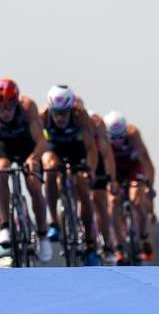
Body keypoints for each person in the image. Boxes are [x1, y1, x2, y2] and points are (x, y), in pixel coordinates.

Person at [0, 79, 52, 262]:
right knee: (0, 171)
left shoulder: (27, 107)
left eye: (10, 106)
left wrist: (33, 158)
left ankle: (42, 235)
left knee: (34, 186)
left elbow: (42, 141)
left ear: (16, 102)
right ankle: (4, 227)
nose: (6, 111)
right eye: (1, 107)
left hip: (27, 146)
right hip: (5, 147)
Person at [40, 85, 99, 264]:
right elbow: (37, 143)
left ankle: (90, 243)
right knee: (50, 169)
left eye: (64, 113)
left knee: (82, 185)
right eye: (56, 113)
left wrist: (90, 170)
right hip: (54, 149)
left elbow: (90, 148)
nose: (60, 118)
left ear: (71, 109)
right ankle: (54, 222)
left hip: (77, 150)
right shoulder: (43, 116)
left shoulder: (80, 115)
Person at [104, 111, 156, 263]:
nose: (118, 141)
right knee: (113, 203)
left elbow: (147, 162)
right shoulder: (103, 140)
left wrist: (149, 186)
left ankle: (143, 236)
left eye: (121, 137)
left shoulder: (133, 135)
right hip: (115, 171)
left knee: (137, 201)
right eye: (114, 138)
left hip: (133, 168)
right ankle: (119, 247)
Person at [89, 111, 118, 264]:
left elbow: (108, 157)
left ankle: (107, 245)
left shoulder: (98, 128)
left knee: (99, 200)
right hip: (77, 159)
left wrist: (112, 180)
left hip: (97, 163)